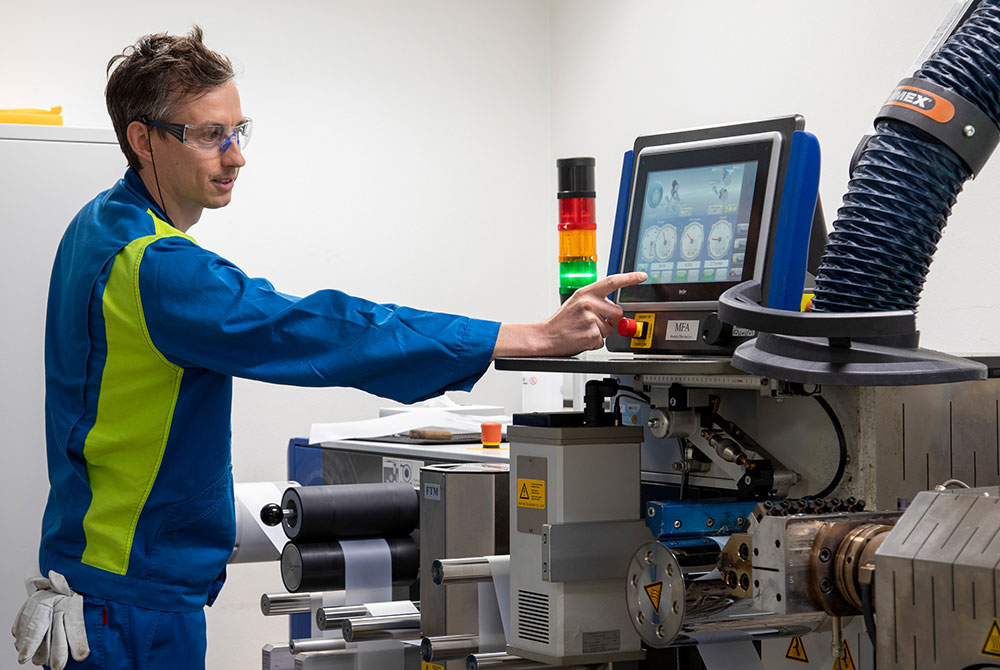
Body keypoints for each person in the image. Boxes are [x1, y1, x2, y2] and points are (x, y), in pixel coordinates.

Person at [11, 27, 645, 670]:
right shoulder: (158, 268)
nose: (235, 157)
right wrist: (523, 338)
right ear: (142, 140)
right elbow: (320, 328)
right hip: (134, 610)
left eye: (239, 130)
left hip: (100, 586)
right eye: (208, 135)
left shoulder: (98, 225)